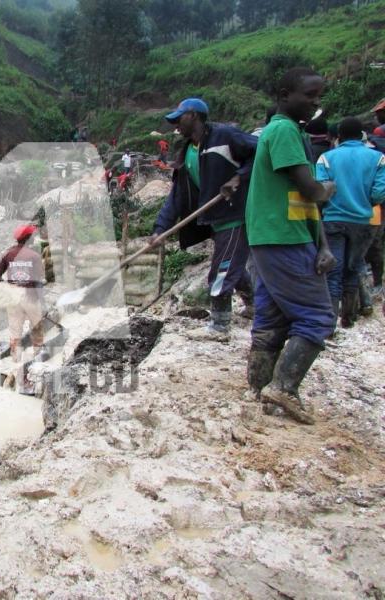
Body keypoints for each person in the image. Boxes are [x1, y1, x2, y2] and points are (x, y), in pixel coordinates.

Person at [245, 67, 338, 425]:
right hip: (283, 235)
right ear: (284, 95)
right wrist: (326, 189)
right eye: (309, 96)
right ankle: (283, 386)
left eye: (318, 96)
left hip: (275, 235)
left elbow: (303, 201)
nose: (315, 103)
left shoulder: (287, 131)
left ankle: (259, 386)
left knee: (271, 318)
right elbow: (311, 192)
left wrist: (323, 243)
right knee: (317, 316)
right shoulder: (283, 131)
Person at [151, 97, 258, 342]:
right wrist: (159, 229)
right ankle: (254, 304)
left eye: (180, 118)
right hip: (213, 218)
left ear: (194, 116)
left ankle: (219, 326)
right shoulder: (187, 152)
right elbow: (176, 197)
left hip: (234, 214)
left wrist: (239, 177)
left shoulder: (225, 137)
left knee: (221, 270)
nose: (176, 124)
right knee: (231, 262)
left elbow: (261, 150)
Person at [316, 117, 385, 327]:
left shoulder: (326, 158)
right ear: (362, 135)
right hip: (363, 220)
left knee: (333, 270)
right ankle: (348, 317)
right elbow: (380, 191)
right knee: (354, 267)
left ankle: (329, 322)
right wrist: (366, 202)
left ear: (338, 136)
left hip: (334, 219)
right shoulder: (378, 158)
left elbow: (320, 189)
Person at [0, 225, 46, 364]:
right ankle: (37, 357)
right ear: (29, 239)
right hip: (30, 296)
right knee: (36, 326)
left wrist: (6, 286)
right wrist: (42, 301)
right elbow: (38, 281)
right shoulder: (34, 256)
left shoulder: (7, 254)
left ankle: (15, 360)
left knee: (15, 329)